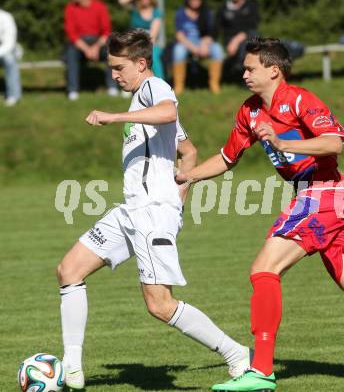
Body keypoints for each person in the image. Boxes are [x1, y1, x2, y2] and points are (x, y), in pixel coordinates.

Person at [176, 37, 344, 391]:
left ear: (274, 71)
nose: (243, 74)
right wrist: (186, 176)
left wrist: (285, 143)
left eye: (250, 68)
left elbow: (335, 142)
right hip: (326, 199)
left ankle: (262, 371)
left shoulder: (300, 99)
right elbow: (226, 158)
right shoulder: (250, 111)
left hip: (324, 193)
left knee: (264, 269)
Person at [57, 29, 250, 390]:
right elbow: (188, 151)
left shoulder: (152, 87)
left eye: (118, 68)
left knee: (160, 305)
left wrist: (113, 118)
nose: (114, 75)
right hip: (133, 210)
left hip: (150, 214)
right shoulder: (141, 101)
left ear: (141, 64)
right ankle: (71, 367)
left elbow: (167, 111)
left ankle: (237, 354)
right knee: (69, 269)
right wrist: (179, 197)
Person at [64, 0, 119, 100]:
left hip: (98, 42)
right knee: (71, 53)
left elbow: (106, 32)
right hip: (79, 44)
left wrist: (96, 47)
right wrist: (86, 49)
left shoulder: (100, 7)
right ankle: (73, 90)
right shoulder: (70, 8)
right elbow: (71, 33)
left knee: (112, 51)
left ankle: (112, 86)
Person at [173, 0, 224, 94]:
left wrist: (205, 43)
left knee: (217, 49)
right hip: (187, 43)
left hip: (204, 43)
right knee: (178, 50)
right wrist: (193, 48)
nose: (195, 0)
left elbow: (212, 32)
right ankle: (179, 85)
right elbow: (179, 35)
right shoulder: (181, 13)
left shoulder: (207, 12)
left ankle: (214, 84)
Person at [118, 0, 165, 79]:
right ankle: (127, 81)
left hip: (150, 43)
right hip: (132, 43)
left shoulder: (156, 13)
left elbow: (152, 37)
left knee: (153, 54)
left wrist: (142, 47)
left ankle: (160, 81)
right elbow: (121, 1)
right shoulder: (134, 10)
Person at [214, 0, 259, 80]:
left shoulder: (251, 6)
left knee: (249, 45)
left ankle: (247, 75)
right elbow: (215, 30)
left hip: (248, 39)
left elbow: (252, 26)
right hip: (229, 43)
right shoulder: (223, 9)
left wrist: (236, 40)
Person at [0, 8, 22, 107]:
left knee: (9, 60)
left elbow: (9, 43)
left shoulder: (6, 17)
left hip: (8, 50)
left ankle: (13, 95)